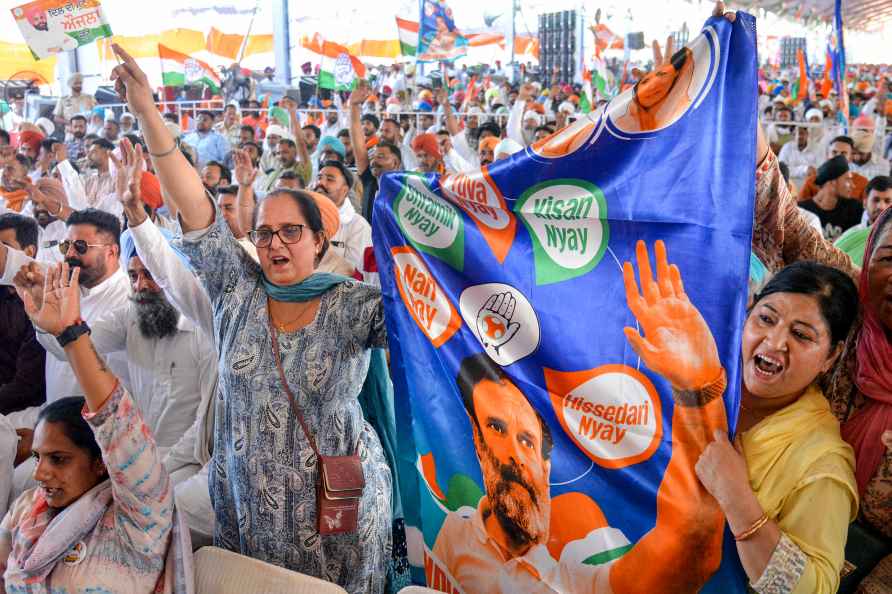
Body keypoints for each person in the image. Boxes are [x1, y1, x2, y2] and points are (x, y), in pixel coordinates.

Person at [111, 41, 392, 593]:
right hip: (247, 513)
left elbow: (431, 329)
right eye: (265, 232)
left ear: (319, 239)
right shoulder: (236, 292)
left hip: (334, 518)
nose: (275, 243)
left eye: (292, 231)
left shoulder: (353, 303)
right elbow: (194, 210)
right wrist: (148, 112)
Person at [432, 241, 728, 593]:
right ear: (478, 445)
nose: (513, 453)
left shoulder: (576, 579)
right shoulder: (454, 534)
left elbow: (691, 543)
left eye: (527, 440)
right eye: (496, 428)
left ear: (547, 466)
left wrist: (698, 389)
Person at [0, 261, 191, 592]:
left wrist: (71, 333)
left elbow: (117, 422)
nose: (40, 473)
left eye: (59, 459)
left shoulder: (138, 517)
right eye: (38, 458)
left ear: (102, 462)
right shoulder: (28, 510)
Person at [695, 261, 859, 594]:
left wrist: (737, 498)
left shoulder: (822, 463)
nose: (774, 342)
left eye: (801, 335)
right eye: (766, 319)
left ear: (831, 357)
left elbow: (816, 588)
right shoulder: (700, 378)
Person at [0, 214, 46, 417]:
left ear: (29, 252)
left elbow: (27, 385)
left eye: (3, 246)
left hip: (22, 416)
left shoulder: (41, 302)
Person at [313, 160, 375, 284]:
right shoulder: (303, 218)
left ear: (344, 190)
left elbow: (353, 274)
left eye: (330, 179)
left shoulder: (357, 226)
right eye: (319, 178)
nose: (321, 183)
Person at [799, 155, 865, 241]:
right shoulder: (802, 211)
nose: (853, 185)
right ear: (832, 182)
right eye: (848, 179)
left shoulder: (855, 208)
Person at [835, 175, 892, 266]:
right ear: (865, 203)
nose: (881, 206)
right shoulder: (850, 236)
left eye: (887, 201)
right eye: (876, 200)